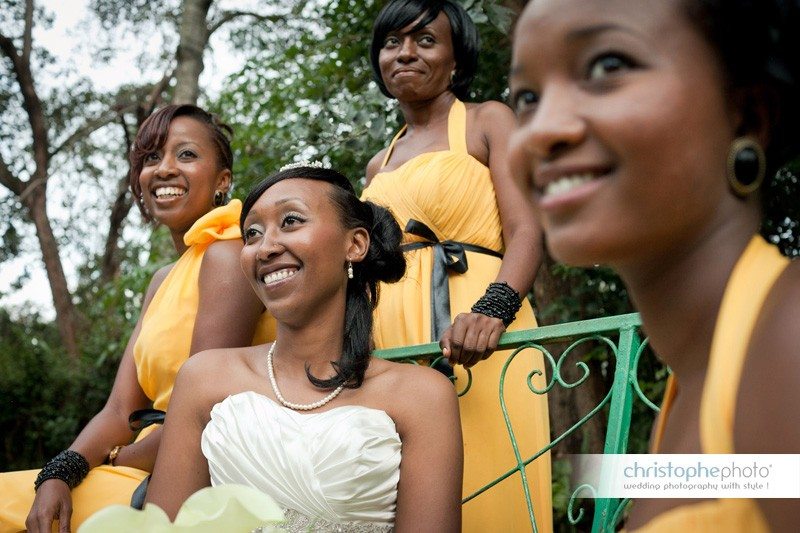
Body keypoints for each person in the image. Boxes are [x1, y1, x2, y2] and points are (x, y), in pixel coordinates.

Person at [508, 1, 800, 531]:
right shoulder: (697, 371)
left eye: (607, 67)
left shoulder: (788, 341)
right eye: (526, 98)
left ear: (749, 115)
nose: (538, 130)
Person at [0, 104, 275, 533]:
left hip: (188, 472)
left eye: (186, 155)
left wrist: (118, 458)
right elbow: (120, 410)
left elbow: (202, 409)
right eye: (151, 158)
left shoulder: (228, 254)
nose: (164, 169)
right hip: (140, 461)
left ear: (222, 181)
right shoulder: (163, 279)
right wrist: (59, 472)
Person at [142, 165, 463, 532]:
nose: (265, 247)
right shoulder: (202, 378)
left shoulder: (423, 396)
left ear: (355, 244)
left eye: (291, 221)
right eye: (252, 234)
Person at [360, 1, 552, 530]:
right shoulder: (378, 164)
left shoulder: (489, 120)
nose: (405, 52)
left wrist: (495, 309)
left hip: (480, 327)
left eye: (425, 40)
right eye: (392, 42)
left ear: (455, 59)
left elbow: (529, 229)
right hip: (390, 341)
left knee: (488, 486)